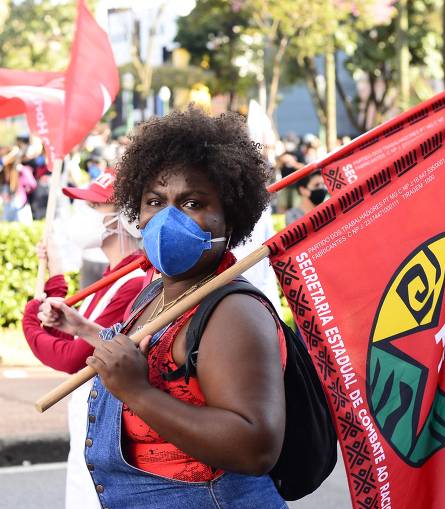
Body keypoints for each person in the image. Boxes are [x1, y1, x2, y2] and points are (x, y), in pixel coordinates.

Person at [38, 107, 288, 508]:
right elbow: (139, 347)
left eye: (192, 202)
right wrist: (85, 329)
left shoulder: (233, 312)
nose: (168, 217)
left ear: (230, 215)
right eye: (155, 200)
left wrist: (137, 393)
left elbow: (255, 446)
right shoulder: (156, 293)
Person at [22, 168, 146, 509]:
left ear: (125, 218)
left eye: (96, 208)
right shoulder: (114, 275)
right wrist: (55, 276)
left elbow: (74, 358)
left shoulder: (133, 282)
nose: (85, 216)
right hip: (91, 422)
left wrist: (30, 320)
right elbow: (67, 324)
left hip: (107, 429)